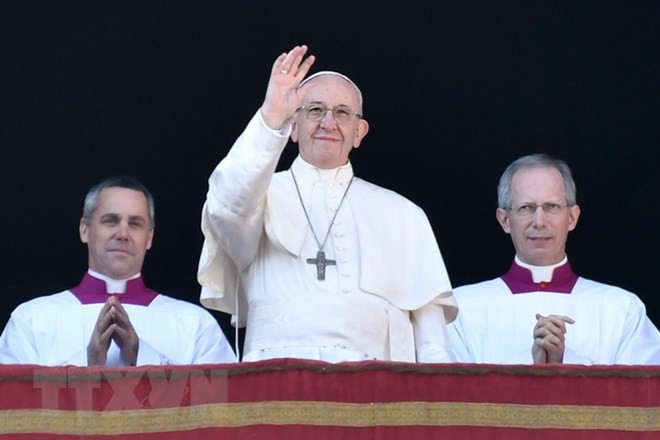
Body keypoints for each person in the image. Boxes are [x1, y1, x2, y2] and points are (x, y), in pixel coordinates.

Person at [196, 44, 457, 363]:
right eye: (315, 110)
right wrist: (270, 117)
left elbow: (433, 346)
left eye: (342, 113)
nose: (328, 123)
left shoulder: (404, 214)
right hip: (273, 378)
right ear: (293, 125)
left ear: (359, 132)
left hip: (375, 387)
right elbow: (226, 206)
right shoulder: (259, 196)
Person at [0, 176, 236, 367]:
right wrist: (88, 365)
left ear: (149, 237)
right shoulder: (31, 320)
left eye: (135, 223)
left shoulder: (195, 324)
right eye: (110, 221)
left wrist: (141, 357)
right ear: (85, 230)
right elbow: (13, 407)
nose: (123, 233)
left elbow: (221, 411)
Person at [448, 153, 660, 365]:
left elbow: (644, 392)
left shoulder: (621, 309)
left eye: (552, 207)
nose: (539, 221)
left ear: (571, 218)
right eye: (526, 208)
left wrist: (562, 372)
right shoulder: (461, 308)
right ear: (504, 220)